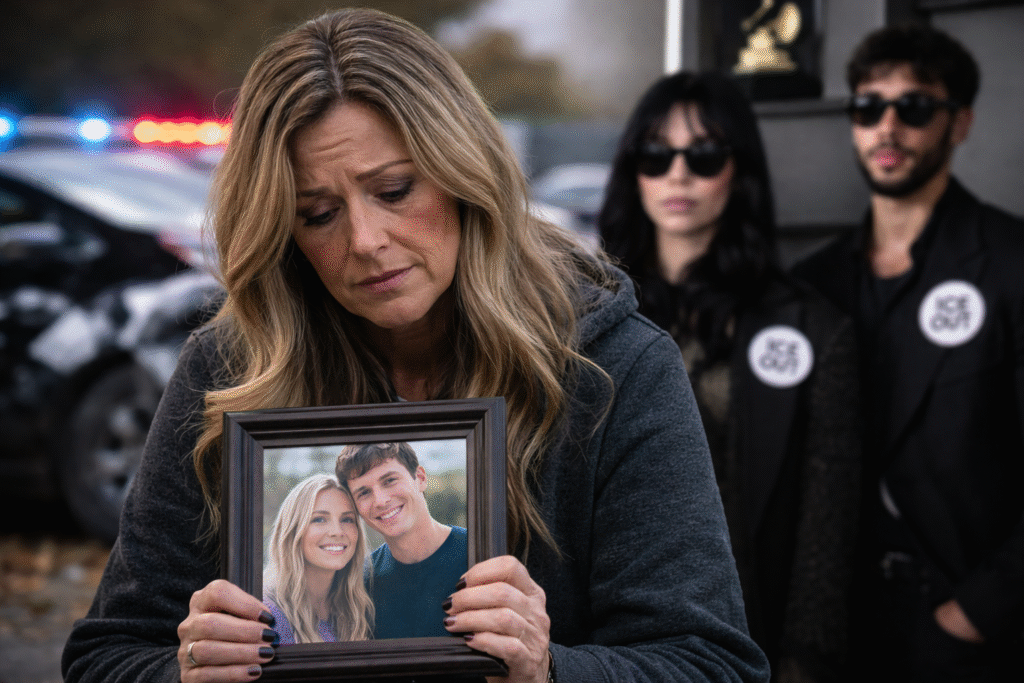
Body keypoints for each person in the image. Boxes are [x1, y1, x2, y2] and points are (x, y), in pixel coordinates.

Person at [61, 8, 770, 683]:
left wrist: (548, 667)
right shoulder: (230, 369)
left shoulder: (614, 366)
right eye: (318, 213)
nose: (365, 241)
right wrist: (182, 669)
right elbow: (105, 653)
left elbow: (710, 662)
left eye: (395, 189)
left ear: (466, 173)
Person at [598, 71, 861, 683]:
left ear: (739, 169)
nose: (679, 175)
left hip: (755, 631)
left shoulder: (813, 329)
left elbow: (826, 531)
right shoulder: (585, 320)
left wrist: (802, 662)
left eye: (705, 154)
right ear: (632, 169)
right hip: (621, 638)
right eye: (657, 155)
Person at [792, 23, 1023, 682]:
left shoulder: (1010, 263)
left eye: (914, 107)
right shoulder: (814, 283)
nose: (887, 127)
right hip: (835, 625)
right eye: (868, 107)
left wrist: (975, 611)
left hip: (966, 632)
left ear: (960, 123)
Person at [334, 442, 466, 639]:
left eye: (389, 481)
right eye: (363, 493)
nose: (380, 500)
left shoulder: (478, 551)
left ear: (420, 478)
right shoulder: (360, 584)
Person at [262, 474, 372, 644]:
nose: (337, 531)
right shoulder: (268, 614)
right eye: (319, 519)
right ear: (293, 531)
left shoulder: (355, 606)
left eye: (347, 519)